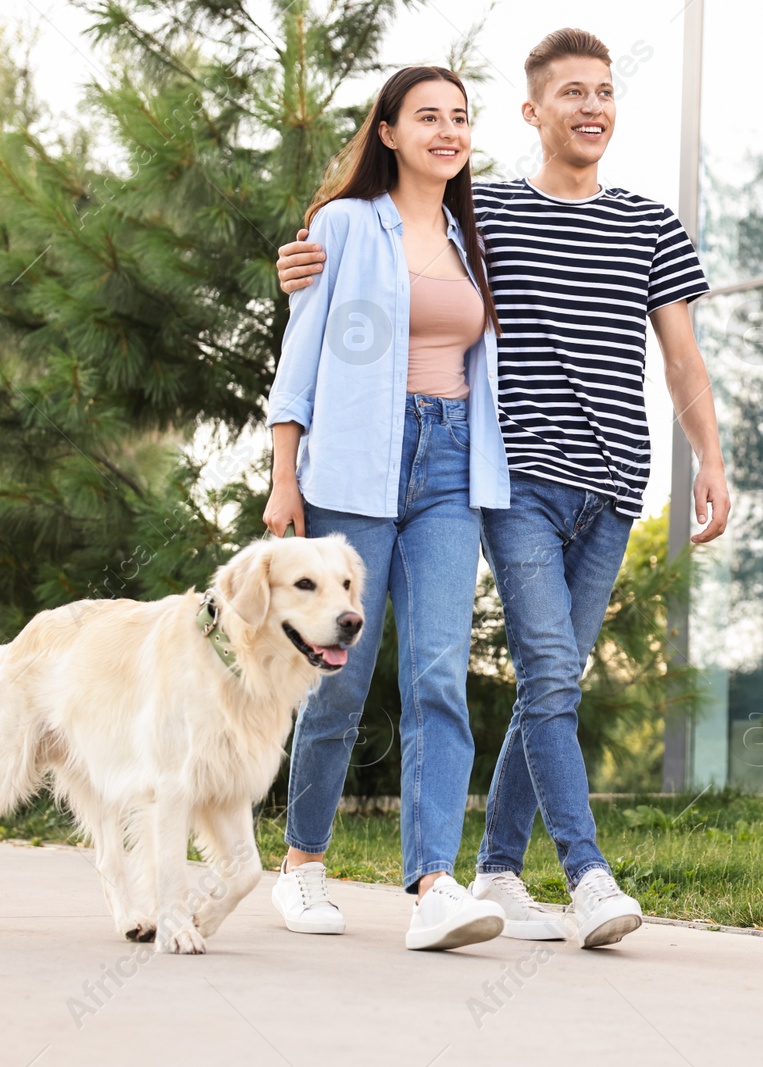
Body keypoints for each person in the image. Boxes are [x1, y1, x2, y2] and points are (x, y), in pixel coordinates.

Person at [277, 28, 731, 949]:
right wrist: (283, 471)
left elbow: (681, 357)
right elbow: (313, 335)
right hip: (435, 468)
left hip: (520, 473)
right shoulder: (417, 220)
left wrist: (707, 459)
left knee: (483, 675)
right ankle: (313, 862)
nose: (593, 106)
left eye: (605, 91)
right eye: (572, 93)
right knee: (359, 679)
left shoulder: (508, 226)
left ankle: (457, 879)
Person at [262, 64, 510, 951]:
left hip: (449, 465)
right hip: (357, 465)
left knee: (438, 674)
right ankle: (300, 864)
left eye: (461, 117)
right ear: (390, 132)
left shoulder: (469, 235)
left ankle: (434, 884)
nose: (448, 131)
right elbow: (300, 361)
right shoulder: (340, 228)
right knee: (339, 675)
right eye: (428, 117)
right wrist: (285, 476)